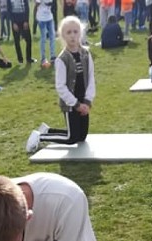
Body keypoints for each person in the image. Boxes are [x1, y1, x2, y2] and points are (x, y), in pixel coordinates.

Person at [25, 16, 95, 151]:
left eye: (75, 32)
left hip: (83, 101)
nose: (73, 36)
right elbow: (60, 87)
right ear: (63, 36)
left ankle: (48, 130)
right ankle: (40, 137)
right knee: (72, 138)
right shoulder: (62, 59)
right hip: (70, 104)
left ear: (80, 33)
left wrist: (87, 102)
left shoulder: (86, 54)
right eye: (68, 33)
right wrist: (76, 104)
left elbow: (91, 79)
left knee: (81, 137)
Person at [35, 0, 57, 64]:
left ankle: (53, 56)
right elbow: (37, 3)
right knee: (43, 38)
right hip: (41, 18)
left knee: (52, 37)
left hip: (50, 17)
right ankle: (43, 58)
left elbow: (51, 4)